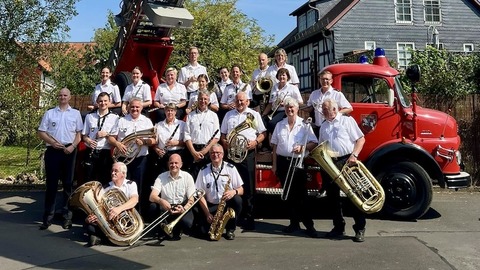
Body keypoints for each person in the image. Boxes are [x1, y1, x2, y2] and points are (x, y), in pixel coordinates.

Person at [319, 98, 366, 242]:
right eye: (323, 110)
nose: (325, 112)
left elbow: (361, 139)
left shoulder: (347, 121)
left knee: (354, 197)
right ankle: (338, 227)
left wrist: (354, 155)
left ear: (335, 109)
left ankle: (359, 228)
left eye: (327, 109)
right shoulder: (323, 126)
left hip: (347, 160)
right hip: (330, 163)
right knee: (332, 198)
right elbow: (321, 146)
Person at [270, 97, 318, 238]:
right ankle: (294, 223)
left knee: (302, 196)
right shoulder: (279, 125)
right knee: (288, 195)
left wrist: (303, 148)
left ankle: (310, 226)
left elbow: (314, 142)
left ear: (297, 109)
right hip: (283, 162)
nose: (290, 110)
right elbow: (274, 147)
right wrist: (274, 165)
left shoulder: (304, 125)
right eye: (287, 108)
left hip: (298, 163)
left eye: (292, 107)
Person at [37, 88, 83, 230]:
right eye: (60, 95)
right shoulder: (50, 113)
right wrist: (51, 142)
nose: (62, 97)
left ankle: (67, 217)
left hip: (69, 151)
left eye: (65, 95)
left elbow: (79, 134)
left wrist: (73, 146)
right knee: (51, 185)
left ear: (69, 97)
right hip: (53, 151)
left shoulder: (75, 114)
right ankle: (48, 218)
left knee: (68, 185)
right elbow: (41, 132)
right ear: (58, 97)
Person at [220, 92, 266, 230]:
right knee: (231, 186)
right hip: (232, 154)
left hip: (247, 154)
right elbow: (223, 134)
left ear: (247, 102)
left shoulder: (253, 115)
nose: (240, 103)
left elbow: (263, 133)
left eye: (242, 100)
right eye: (238, 100)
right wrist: (225, 144)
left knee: (249, 186)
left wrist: (255, 142)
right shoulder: (228, 115)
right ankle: (233, 217)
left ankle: (250, 218)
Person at [108, 98, 154, 209]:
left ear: (141, 108)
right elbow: (110, 138)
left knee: (139, 186)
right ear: (128, 107)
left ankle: (138, 213)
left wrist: (143, 142)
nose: (135, 109)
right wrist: (118, 144)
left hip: (140, 159)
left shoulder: (147, 121)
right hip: (124, 159)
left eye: (137, 107)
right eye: (132, 107)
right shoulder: (121, 120)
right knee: (122, 186)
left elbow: (154, 140)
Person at [195, 144, 244, 240]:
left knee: (237, 200)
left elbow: (241, 190)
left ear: (222, 154)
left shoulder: (231, 168)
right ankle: (216, 225)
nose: (215, 155)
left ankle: (230, 229)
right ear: (209, 155)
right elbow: (199, 194)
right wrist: (207, 213)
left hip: (225, 204)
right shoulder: (203, 170)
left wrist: (234, 192)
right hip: (211, 206)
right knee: (203, 232)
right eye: (212, 153)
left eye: (218, 153)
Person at [84, 162, 139, 246]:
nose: (113, 173)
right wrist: (92, 217)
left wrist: (119, 209)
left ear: (123, 174)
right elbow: (99, 207)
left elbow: (135, 200)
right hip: (110, 219)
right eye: (112, 171)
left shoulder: (131, 184)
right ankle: (106, 238)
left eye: (116, 171)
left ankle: (100, 238)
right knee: (89, 225)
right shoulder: (106, 188)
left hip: (125, 219)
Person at [148, 154, 196, 240]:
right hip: (166, 207)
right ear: (168, 164)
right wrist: (161, 201)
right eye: (171, 163)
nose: (173, 165)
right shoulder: (161, 177)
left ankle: (177, 228)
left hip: (181, 206)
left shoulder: (188, 177)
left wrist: (183, 209)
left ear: (181, 164)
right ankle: (161, 229)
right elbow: (152, 196)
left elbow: (191, 199)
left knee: (188, 224)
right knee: (153, 207)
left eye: (176, 163)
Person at [82, 92, 120, 185]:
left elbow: (115, 138)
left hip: (105, 152)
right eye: (101, 101)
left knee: (105, 180)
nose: (103, 103)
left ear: (109, 102)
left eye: (105, 101)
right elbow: (84, 136)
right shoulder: (89, 116)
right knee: (89, 180)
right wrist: (89, 141)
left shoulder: (115, 118)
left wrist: (106, 134)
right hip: (91, 151)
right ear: (97, 102)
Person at [184, 90, 220, 179]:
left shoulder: (213, 116)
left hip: (208, 151)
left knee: (207, 178)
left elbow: (216, 136)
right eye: (200, 99)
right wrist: (193, 152)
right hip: (193, 151)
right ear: (197, 100)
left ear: (208, 101)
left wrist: (204, 151)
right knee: (193, 179)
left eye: (205, 99)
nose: (203, 101)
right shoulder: (190, 115)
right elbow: (186, 135)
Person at [262, 68, 303, 136]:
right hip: (273, 111)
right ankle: (266, 144)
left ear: (287, 77)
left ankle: (276, 140)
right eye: (280, 75)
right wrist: (263, 115)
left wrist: (286, 104)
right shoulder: (274, 87)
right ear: (277, 77)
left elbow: (300, 102)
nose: (281, 77)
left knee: (272, 123)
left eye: (284, 75)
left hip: (285, 111)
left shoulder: (293, 88)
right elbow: (270, 103)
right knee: (263, 122)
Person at [151, 103, 186, 176]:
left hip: (178, 154)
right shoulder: (158, 125)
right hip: (164, 155)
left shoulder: (182, 124)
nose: (170, 112)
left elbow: (187, 142)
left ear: (175, 112)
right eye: (168, 110)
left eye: (172, 110)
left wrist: (176, 143)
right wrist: (157, 150)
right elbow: (154, 142)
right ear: (165, 111)